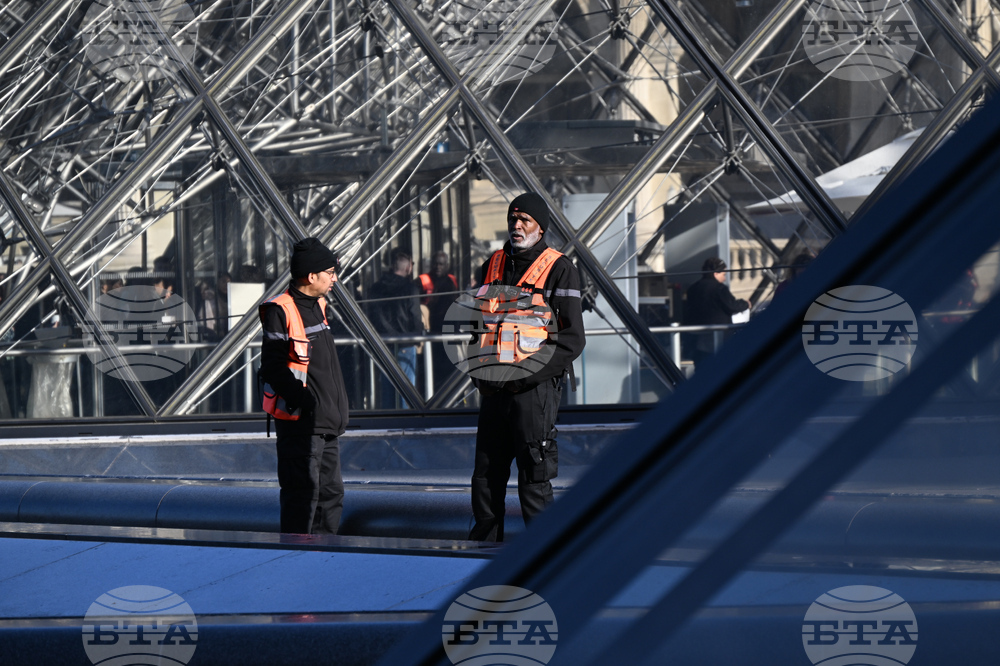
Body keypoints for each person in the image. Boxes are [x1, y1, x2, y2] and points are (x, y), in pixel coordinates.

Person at [468, 192, 586, 542]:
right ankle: (482, 555)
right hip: (494, 389)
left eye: (525, 221)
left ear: (540, 227)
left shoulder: (560, 269)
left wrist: (526, 377)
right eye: (512, 219)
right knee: (486, 477)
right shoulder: (492, 264)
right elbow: (478, 325)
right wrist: (479, 373)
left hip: (533, 392)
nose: (516, 226)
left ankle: (542, 556)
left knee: (534, 478)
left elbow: (571, 339)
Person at [258, 238, 349, 535]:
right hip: (302, 427)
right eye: (330, 271)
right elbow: (272, 367)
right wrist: (307, 402)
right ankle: (298, 565)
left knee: (330, 497)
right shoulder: (280, 310)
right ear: (312, 276)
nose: (335, 277)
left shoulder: (319, 306)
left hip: (326, 425)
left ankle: (326, 563)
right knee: (302, 500)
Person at [368, 248, 425, 408]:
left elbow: (371, 315)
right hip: (405, 342)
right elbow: (415, 317)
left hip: (382, 342)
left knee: (387, 388)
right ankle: (406, 422)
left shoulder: (376, 288)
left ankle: (388, 420)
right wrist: (418, 336)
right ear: (408, 268)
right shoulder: (410, 289)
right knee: (406, 390)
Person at [683, 257, 749, 370]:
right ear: (715, 273)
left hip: (697, 340)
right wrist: (746, 304)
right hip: (717, 339)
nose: (724, 278)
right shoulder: (719, 288)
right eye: (723, 274)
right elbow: (731, 306)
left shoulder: (693, 288)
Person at [419, 250, 459, 390]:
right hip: (432, 329)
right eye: (435, 264)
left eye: (441, 264)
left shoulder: (451, 281)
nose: (438, 267)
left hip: (448, 328)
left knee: (448, 367)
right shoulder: (423, 280)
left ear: (447, 265)